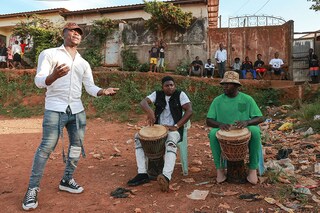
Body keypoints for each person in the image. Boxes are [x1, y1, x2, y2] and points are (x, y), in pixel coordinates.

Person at [22, 22, 120, 211]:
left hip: (77, 110)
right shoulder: (50, 54)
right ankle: (32, 189)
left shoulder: (83, 62)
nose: (76, 34)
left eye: (79, 32)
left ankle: (67, 179)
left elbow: (89, 87)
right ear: (64, 33)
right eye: (72, 30)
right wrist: (53, 76)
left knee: (76, 147)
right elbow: (39, 81)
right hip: (55, 108)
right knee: (45, 148)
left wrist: (103, 91)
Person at [127, 76, 192, 192]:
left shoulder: (180, 94)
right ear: (162, 87)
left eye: (172, 85)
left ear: (174, 86)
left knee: (171, 143)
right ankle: (142, 173)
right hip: (158, 129)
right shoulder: (157, 94)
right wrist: (150, 111)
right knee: (138, 138)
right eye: (167, 85)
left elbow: (189, 111)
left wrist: (177, 126)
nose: (170, 87)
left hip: (174, 130)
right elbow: (143, 102)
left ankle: (166, 176)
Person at [206, 71, 264, 185]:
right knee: (213, 134)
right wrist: (219, 124)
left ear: (237, 86)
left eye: (229, 84)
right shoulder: (217, 100)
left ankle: (252, 169)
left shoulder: (247, 99)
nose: (225, 86)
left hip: (244, 130)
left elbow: (260, 118)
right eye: (224, 84)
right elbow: (208, 120)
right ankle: (220, 170)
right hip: (225, 129)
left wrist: (247, 122)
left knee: (256, 131)